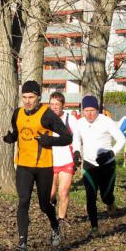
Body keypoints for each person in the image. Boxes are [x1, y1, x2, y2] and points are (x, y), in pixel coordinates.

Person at [2, 81, 72, 251]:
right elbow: (18, 132)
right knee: (23, 200)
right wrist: (11, 137)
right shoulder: (17, 113)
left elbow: (67, 137)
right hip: (24, 166)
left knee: (44, 204)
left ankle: (55, 226)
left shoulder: (47, 114)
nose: (27, 101)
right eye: (24, 97)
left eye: (31, 97)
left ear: (39, 97)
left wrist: (50, 141)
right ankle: (22, 243)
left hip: (43, 167)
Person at [72, 95, 126, 236]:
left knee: (105, 196)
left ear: (98, 109)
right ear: (82, 110)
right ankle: (94, 227)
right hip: (89, 164)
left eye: (92, 110)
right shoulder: (80, 123)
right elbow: (76, 139)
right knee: (90, 195)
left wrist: (111, 153)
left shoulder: (106, 121)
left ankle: (111, 203)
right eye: (86, 110)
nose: (89, 114)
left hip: (107, 164)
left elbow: (121, 139)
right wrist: (77, 152)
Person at [48, 92, 75, 224]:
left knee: (63, 191)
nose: (54, 107)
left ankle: (62, 219)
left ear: (63, 105)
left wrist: (77, 154)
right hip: (50, 161)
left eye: (57, 104)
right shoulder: (45, 119)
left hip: (67, 160)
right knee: (51, 194)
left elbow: (78, 138)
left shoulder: (70, 119)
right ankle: (53, 204)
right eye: (52, 104)